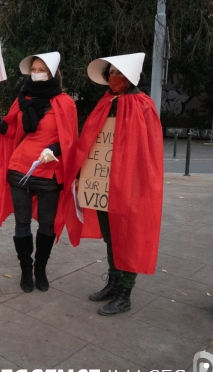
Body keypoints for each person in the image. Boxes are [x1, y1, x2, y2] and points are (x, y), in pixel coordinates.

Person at [66, 53, 163, 316]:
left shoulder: (143, 105)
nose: (111, 77)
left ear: (129, 76)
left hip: (129, 185)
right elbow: (89, 140)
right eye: (109, 72)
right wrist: (80, 172)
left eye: (117, 72)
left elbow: (147, 151)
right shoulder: (105, 102)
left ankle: (125, 294)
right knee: (112, 237)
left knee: (128, 236)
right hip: (102, 181)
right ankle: (114, 283)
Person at [0, 52, 78, 293]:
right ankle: (25, 269)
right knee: (21, 224)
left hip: (49, 172)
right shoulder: (21, 99)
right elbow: (12, 132)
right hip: (19, 169)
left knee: (46, 224)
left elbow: (71, 140)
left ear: (52, 73)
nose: (36, 72)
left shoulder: (65, 103)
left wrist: (53, 149)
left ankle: (40, 269)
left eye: (41, 68)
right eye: (33, 68)